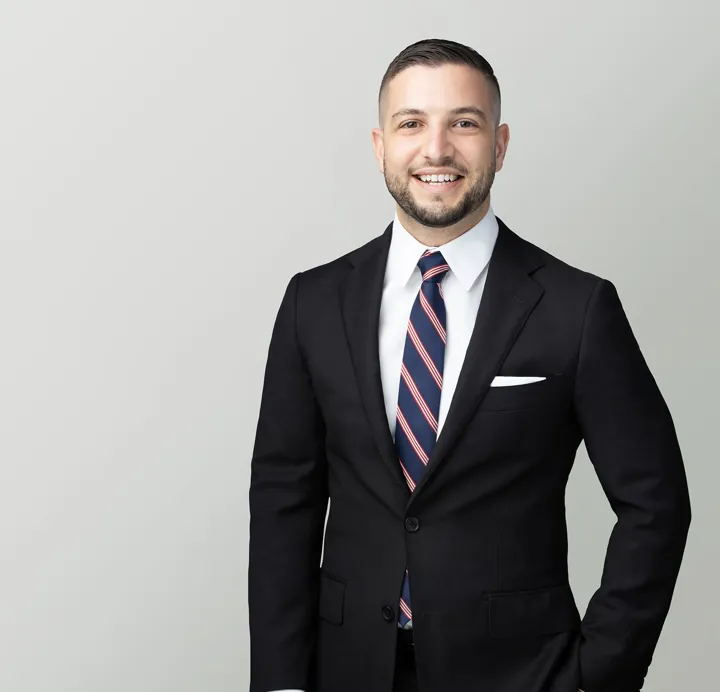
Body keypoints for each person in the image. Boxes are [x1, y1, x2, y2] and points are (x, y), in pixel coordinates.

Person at [247, 38, 691, 692]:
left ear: (500, 145)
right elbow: (283, 501)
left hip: (521, 673)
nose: (437, 149)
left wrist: (598, 675)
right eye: (411, 124)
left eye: (464, 122)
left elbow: (656, 503)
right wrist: (281, 682)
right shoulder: (313, 302)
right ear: (379, 147)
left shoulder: (577, 308)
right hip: (346, 668)